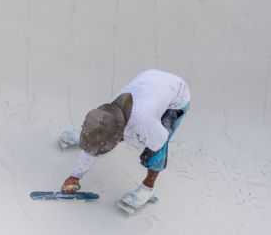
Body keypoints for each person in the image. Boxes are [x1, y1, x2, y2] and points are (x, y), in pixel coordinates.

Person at [59, 69, 190, 210]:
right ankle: (92, 137)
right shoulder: (108, 110)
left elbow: (160, 144)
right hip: (150, 78)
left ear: (119, 135)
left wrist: (144, 146)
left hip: (177, 96)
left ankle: (147, 188)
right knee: (100, 138)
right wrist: (75, 176)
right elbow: (99, 142)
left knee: (155, 154)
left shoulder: (145, 124)